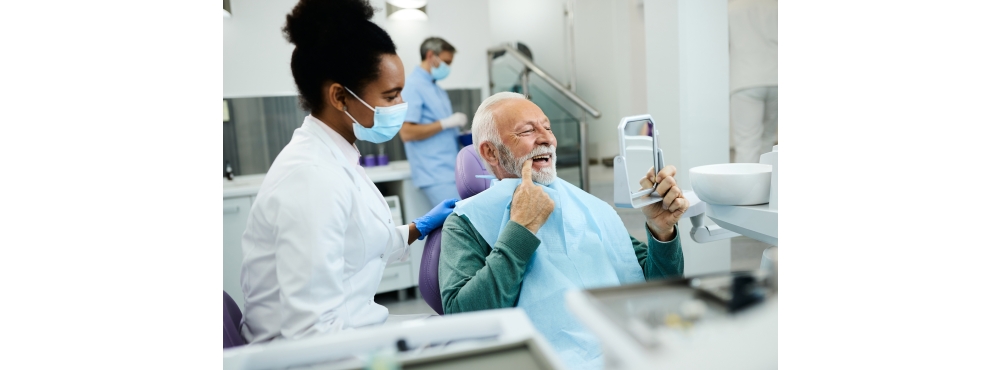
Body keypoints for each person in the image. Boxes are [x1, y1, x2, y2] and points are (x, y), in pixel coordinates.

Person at [239, 0, 457, 344]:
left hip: (355, 327)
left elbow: (356, 244)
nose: (402, 106)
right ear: (340, 96)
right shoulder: (311, 177)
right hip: (310, 352)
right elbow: (311, 334)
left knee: (462, 333)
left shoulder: (335, 155)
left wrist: (416, 228)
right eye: (390, 96)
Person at [438, 92, 687, 369]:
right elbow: (464, 317)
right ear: (490, 152)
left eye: (548, 127)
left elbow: (659, 288)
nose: (547, 138)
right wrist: (520, 229)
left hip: (627, 349)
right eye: (528, 131)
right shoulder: (466, 222)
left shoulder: (588, 207)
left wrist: (661, 231)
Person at [399, 37, 466, 205]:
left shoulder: (436, 88)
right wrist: (445, 123)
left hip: (450, 170)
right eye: (446, 62)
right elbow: (406, 133)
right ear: (430, 56)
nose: (448, 67)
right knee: (459, 226)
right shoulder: (412, 86)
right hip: (434, 174)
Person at [729, 0, 778, 163]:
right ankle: (770, 187)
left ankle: (744, 188)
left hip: (745, 79)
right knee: (768, 141)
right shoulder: (776, 5)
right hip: (775, 77)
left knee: (747, 144)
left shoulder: (731, 8)